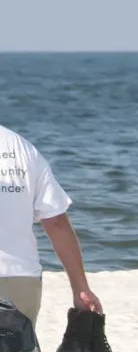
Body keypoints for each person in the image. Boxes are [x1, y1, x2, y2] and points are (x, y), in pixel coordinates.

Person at [0, 124, 102, 327]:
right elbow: (56, 221)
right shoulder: (20, 147)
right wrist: (81, 288)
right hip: (21, 280)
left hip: (21, 277)